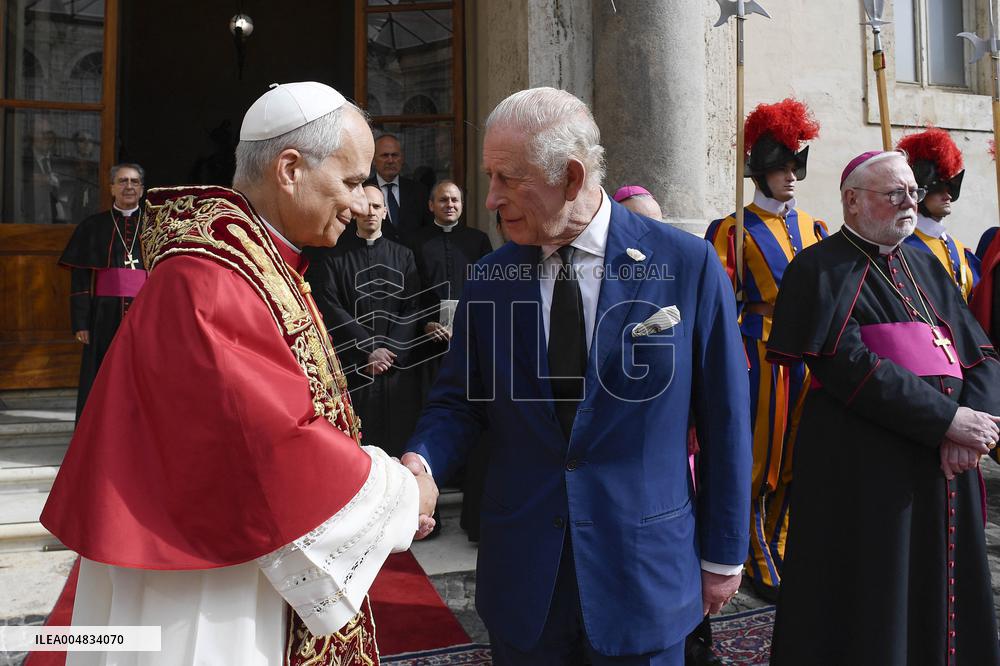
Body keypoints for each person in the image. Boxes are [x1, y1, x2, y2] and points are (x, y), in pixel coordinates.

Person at [41, 82, 437, 666]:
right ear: (290, 169)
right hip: (204, 585)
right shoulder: (208, 281)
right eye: (352, 182)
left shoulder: (255, 263)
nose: (359, 204)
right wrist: (402, 493)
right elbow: (272, 447)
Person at [402, 87, 752, 665]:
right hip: (525, 579)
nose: (489, 199)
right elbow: (460, 401)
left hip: (645, 572)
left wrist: (723, 553)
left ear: (570, 176)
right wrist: (423, 461)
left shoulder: (686, 266)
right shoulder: (491, 278)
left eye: (507, 179)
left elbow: (726, 420)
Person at [766, 150, 1000, 666]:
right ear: (852, 201)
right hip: (865, 463)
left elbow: (979, 352)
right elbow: (846, 362)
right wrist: (946, 421)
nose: (909, 203)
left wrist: (975, 424)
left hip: (946, 465)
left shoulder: (926, 264)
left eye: (913, 192)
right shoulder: (818, 267)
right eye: (895, 193)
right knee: (876, 597)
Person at [704, 98, 827, 603]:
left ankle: (781, 544)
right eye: (781, 167)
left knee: (799, 459)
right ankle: (753, 553)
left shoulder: (817, 228)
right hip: (761, 359)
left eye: (796, 166)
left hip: (810, 361)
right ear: (760, 171)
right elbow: (720, 306)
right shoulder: (733, 230)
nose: (791, 177)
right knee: (761, 462)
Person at [308, 184, 424, 459]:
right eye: (365, 206)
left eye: (376, 206)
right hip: (356, 368)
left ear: (385, 212)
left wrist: (390, 352)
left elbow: (412, 305)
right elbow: (331, 307)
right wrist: (368, 349)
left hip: (395, 371)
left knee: (397, 442)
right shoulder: (335, 259)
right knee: (358, 446)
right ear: (355, 211)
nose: (371, 212)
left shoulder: (404, 256)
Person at [410, 180, 494, 541]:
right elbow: (410, 292)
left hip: (471, 342)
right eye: (442, 199)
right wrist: (425, 322)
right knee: (436, 414)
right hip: (429, 347)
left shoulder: (477, 240)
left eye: (456, 199)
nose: (449, 205)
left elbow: (488, 288)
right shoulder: (417, 242)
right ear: (431, 205)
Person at [57, 163, 148, 420]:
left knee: (143, 374)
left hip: (146, 313)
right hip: (103, 315)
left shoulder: (156, 226)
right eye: (122, 181)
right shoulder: (92, 227)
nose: (128, 186)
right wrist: (81, 322)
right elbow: (81, 278)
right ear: (111, 188)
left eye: (133, 182)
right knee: (100, 374)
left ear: (142, 189)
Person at [897, 128, 980, 301]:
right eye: (938, 189)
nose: (947, 195)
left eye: (949, 188)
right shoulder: (900, 247)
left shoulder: (958, 247)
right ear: (919, 193)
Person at [371, 133, 432, 241]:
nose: (390, 160)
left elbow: (428, 228)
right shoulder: (364, 190)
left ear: (402, 158)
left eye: (395, 155)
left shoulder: (419, 191)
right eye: (385, 155)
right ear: (374, 160)